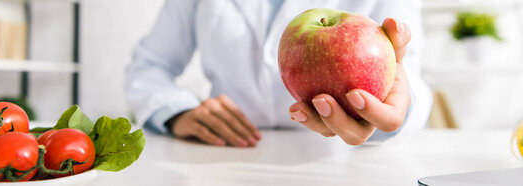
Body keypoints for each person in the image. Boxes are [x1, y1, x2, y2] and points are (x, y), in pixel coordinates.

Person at [125, 0, 432, 147]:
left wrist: (390, 114)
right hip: (224, 156)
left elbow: (408, 80)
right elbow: (150, 65)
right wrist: (177, 112)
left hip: (344, 164)